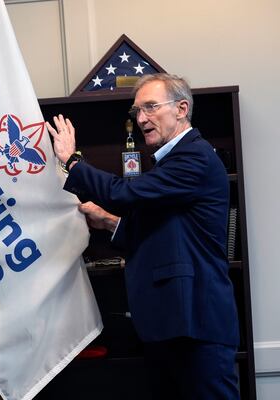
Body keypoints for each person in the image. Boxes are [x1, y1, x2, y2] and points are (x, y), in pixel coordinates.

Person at [46, 73, 240, 400]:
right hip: (173, 326)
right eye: (136, 111)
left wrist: (71, 161)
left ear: (181, 108)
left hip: (196, 326)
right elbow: (166, 233)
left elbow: (125, 193)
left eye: (150, 107)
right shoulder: (169, 163)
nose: (141, 118)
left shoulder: (194, 156)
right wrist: (108, 221)